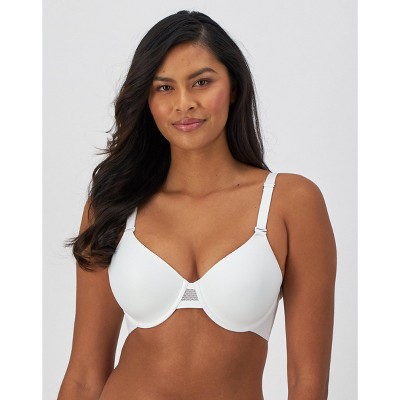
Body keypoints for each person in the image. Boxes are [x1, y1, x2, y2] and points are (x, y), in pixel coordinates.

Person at [57, 10, 336, 400]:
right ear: (147, 99)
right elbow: (84, 376)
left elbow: (307, 382)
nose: (184, 103)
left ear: (234, 87)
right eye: (164, 88)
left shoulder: (290, 202)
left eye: (201, 82)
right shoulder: (112, 205)